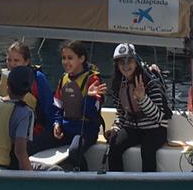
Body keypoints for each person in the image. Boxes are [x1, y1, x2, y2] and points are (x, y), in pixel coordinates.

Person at [105, 43, 170, 173]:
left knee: (147, 150)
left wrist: (142, 98)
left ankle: (148, 183)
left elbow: (158, 116)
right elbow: (121, 113)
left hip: (155, 129)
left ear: (136, 62)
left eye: (129, 60)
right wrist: (115, 128)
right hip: (132, 127)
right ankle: (117, 180)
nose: (125, 65)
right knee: (114, 146)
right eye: (121, 62)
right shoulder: (118, 84)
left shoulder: (150, 81)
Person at [0, 40, 55, 153]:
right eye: (9, 60)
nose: (11, 64)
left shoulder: (38, 79)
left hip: (30, 132)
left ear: (26, 61)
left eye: (16, 61)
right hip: (4, 130)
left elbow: (49, 110)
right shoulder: (1, 78)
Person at [50, 40, 105, 171]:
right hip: (66, 128)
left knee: (74, 151)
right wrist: (57, 123)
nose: (66, 62)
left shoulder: (93, 80)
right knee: (34, 143)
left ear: (81, 59)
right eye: (63, 58)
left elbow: (92, 113)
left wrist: (90, 97)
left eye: (70, 58)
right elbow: (57, 106)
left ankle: (84, 176)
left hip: (86, 130)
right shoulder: (63, 79)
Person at [0, 65, 38, 171]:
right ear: (29, 89)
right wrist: (31, 175)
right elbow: (20, 151)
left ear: (7, 85)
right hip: (6, 169)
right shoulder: (25, 112)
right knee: (55, 170)